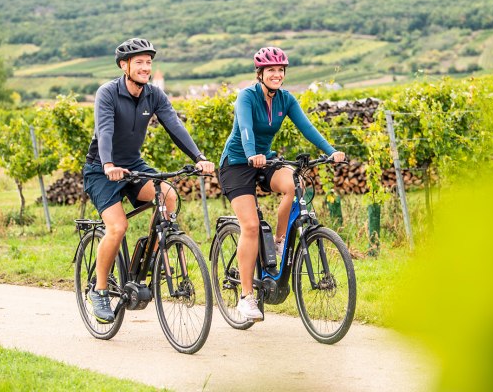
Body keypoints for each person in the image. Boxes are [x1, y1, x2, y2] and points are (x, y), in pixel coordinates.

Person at [83, 37, 214, 324]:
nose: (145, 68)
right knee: (118, 226)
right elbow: (104, 131)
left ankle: (150, 260)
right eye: (139, 62)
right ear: (124, 65)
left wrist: (198, 157)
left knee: (168, 195)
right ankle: (100, 289)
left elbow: (174, 126)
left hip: (134, 166)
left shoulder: (154, 95)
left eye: (149, 63)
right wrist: (107, 164)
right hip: (101, 169)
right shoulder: (107, 93)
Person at [218, 46, 346, 321]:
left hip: (265, 160)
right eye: (271, 70)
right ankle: (246, 297)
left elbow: (307, 127)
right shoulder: (246, 97)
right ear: (260, 73)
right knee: (250, 226)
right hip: (238, 163)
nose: (276, 74)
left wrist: (330, 150)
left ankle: (278, 241)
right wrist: (252, 153)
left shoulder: (286, 100)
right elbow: (245, 128)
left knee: (295, 183)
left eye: (280, 70)